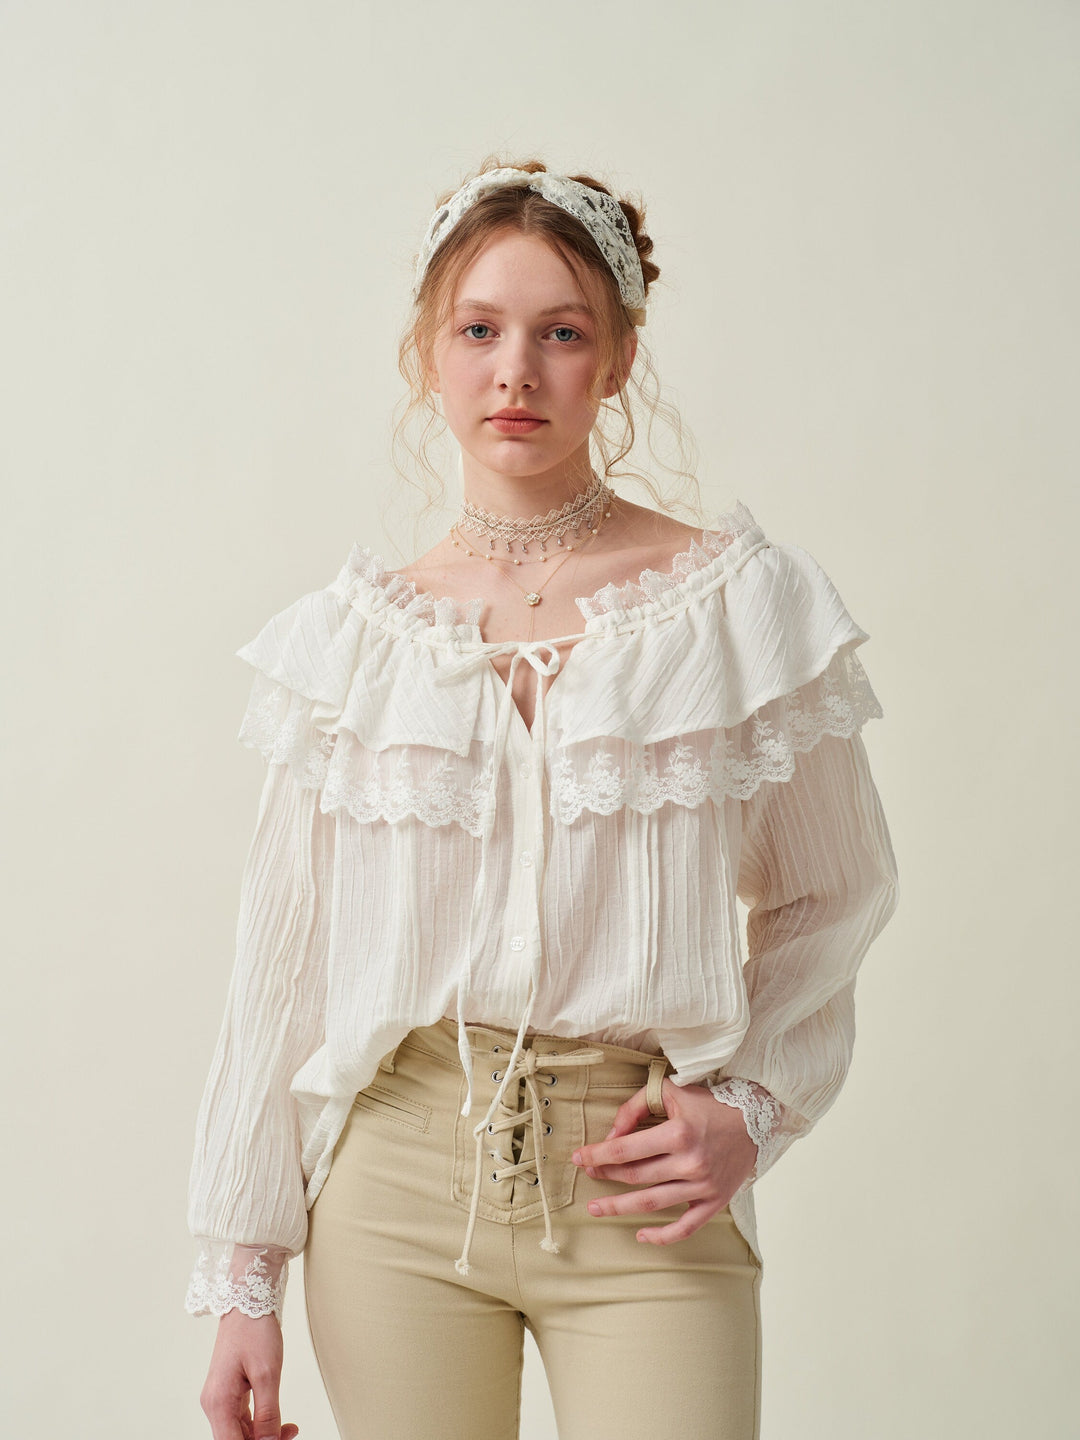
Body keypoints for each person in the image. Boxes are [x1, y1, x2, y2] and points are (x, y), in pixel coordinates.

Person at [185, 157, 900, 1440]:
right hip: (394, 1190)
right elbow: (280, 970)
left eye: (560, 333)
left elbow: (834, 891)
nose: (515, 371)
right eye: (479, 330)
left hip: (641, 1178)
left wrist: (751, 1105)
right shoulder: (352, 647)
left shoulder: (735, 607)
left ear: (616, 360)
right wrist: (246, 1275)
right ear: (430, 354)